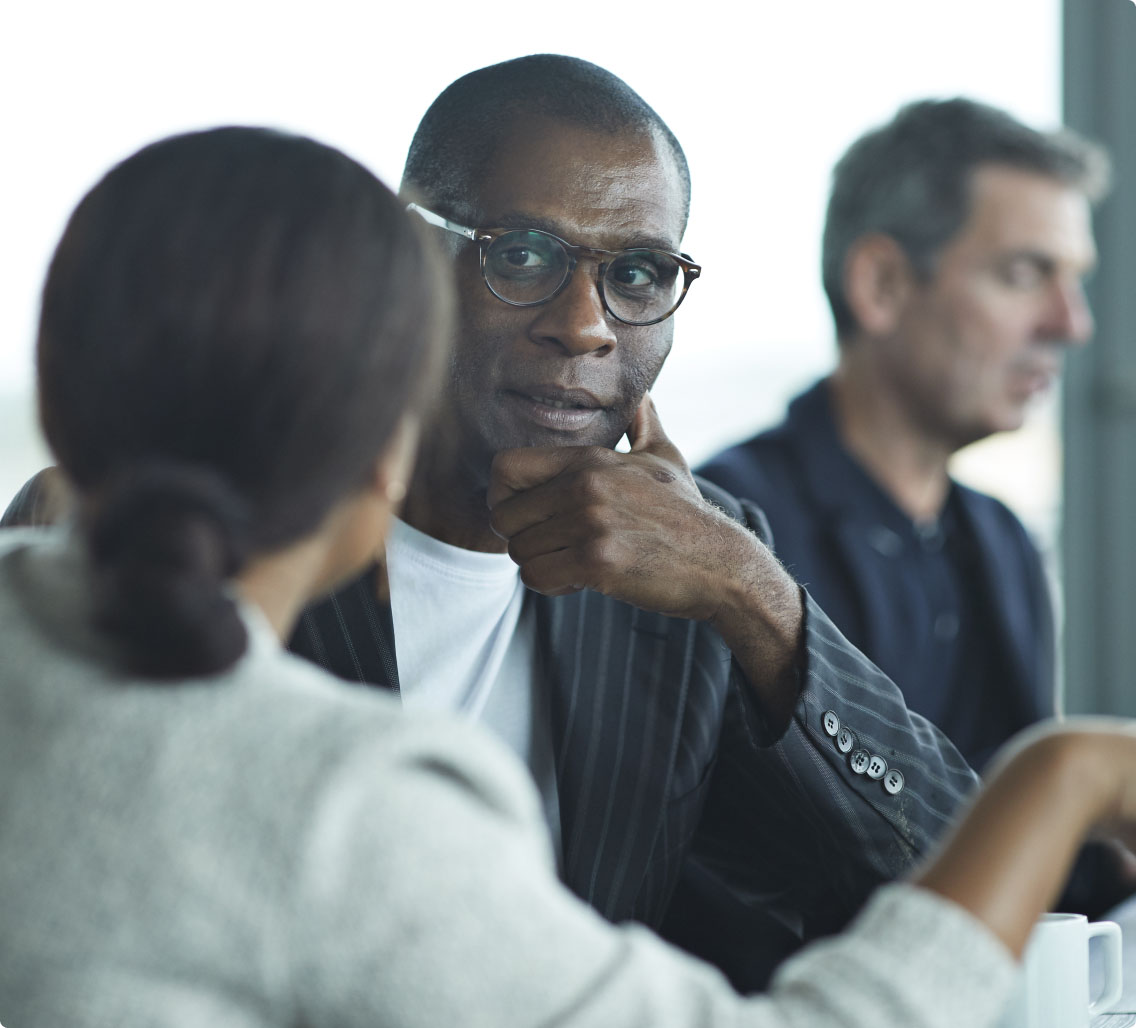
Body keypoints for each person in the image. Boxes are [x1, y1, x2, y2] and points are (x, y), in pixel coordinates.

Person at [3, 119, 1136, 1028]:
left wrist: (755, 596)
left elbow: (944, 882)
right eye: (524, 254)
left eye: (639, 272)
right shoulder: (161, 548)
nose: (585, 325)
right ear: (416, 273)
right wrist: (1065, 776)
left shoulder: (698, 564)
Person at [700, 98, 1108, 774]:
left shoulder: (1002, 539)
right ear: (882, 284)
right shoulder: (727, 532)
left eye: (1074, 280)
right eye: (1025, 274)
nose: (1071, 324)